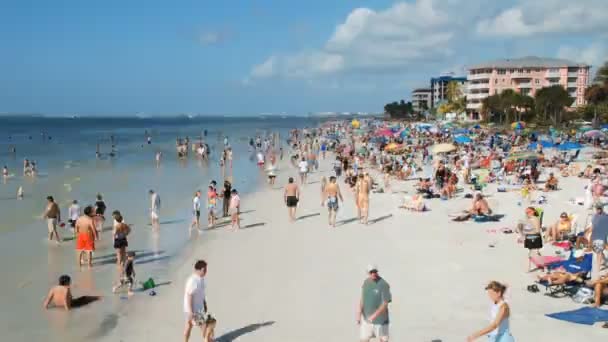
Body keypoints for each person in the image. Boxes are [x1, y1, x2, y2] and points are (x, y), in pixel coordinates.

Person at [357, 265, 391, 342]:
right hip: (366, 319)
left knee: (383, 339)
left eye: (375, 272)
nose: (373, 274)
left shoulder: (384, 284)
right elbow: (363, 297)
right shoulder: (366, 282)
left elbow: (385, 303)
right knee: (364, 339)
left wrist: (374, 316)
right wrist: (359, 312)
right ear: (368, 273)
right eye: (371, 272)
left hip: (381, 320)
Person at [184, 260, 209, 342]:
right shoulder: (193, 280)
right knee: (205, 326)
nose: (206, 271)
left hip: (197, 308)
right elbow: (189, 296)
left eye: (206, 269)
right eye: (204, 270)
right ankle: (207, 340)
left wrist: (204, 303)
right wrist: (191, 312)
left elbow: (201, 293)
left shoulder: (200, 279)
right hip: (194, 310)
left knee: (189, 325)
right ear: (198, 270)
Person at [590, 203, 608, 280]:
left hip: (602, 235)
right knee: (599, 251)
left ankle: (597, 268)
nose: (598, 210)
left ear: (601, 209)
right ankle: (604, 261)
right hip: (596, 235)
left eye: (599, 208)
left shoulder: (605, 216)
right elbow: (593, 226)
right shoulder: (594, 216)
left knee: (599, 252)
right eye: (597, 208)